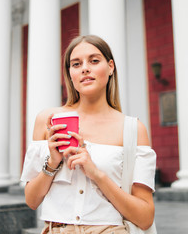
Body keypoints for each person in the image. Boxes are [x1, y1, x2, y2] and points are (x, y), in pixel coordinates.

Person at [21, 35, 156, 234]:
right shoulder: (48, 121)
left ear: (110, 67)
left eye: (94, 61)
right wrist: (53, 162)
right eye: (76, 64)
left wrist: (96, 173)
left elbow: (145, 218)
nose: (85, 68)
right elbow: (32, 201)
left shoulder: (133, 129)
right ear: (70, 73)